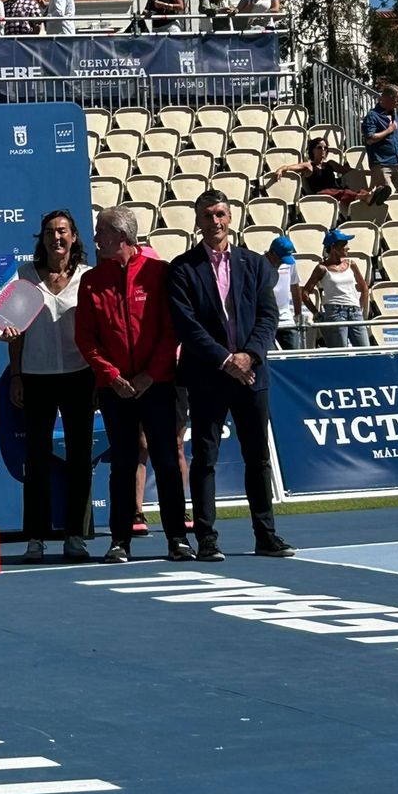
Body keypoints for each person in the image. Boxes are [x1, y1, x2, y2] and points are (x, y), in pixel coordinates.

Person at [168, 189, 295, 561]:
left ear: (231, 217)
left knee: (257, 457)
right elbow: (186, 325)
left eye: (221, 214)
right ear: (197, 221)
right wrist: (226, 360)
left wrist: (250, 356)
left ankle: (265, 534)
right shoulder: (182, 268)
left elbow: (268, 317)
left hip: (252, 375)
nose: (215, 222)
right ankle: (207, 538)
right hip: (208, 376)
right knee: (205, 458)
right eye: (207, 216)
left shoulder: (255, 264)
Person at [76, 207, 191, 563]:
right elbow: (86, 337)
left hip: (156, 384)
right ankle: (119, 540)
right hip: (115, 389)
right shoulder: (92, 280)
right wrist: (111, 376)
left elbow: (171, 329)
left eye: (101, 232)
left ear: (121, 237)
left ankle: (177, 539)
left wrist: (149, 375)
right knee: (123, 464)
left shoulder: (158, 273)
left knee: (167, 460)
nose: (95, 239)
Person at [1, 211, 95, 562]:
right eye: (50, 232)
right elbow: (14, 330)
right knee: (36, 460)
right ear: (41, 239)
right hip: (36, 376)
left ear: (73, 237)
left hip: (79, 374)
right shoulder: (25, 277)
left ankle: (75, 535)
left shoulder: (88, 277)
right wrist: (16, 374)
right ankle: (36, 538)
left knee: (80, 457)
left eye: (63, 232)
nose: (57, 238)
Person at [272, 137, 391, 208]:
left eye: (325, 148)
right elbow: (292, 167)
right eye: (319, 147)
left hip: (336, 190)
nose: (323, 150)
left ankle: (370, 195)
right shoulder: (308, 166)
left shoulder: (330, 163)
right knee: (340, 192)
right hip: (321, 194)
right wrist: (282, 169)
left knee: (352, 190)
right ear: (312, 150)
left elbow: (347, 171)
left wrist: (368, 172)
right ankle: (368, 197)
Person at [302, 227, 369, 348]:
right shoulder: (322, 268)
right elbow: (305, 293)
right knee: (340, 352)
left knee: (366, 351)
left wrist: (360, 308)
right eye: (344, 244)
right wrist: (316, 314)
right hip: (335, 313)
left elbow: (364, 287)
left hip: (354, 312)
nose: (347, 247)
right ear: (333, 247)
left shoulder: (351, 264)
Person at [362, 83, 398, 195]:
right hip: (381, 164)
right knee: (385, 197)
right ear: (387, 98)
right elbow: (370, 138)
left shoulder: (394, 113)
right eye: (397, 100)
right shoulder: (372, 116)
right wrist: (389, 130)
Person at [266, 236, 305, 350]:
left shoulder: (290, 264)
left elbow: (295, 287)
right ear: (272, 252)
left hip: (285, 318)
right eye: (281, 258)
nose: (283, 262)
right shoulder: (259, 263)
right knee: (271, 357)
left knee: (294, 354)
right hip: (265, 319)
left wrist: (298, 314)